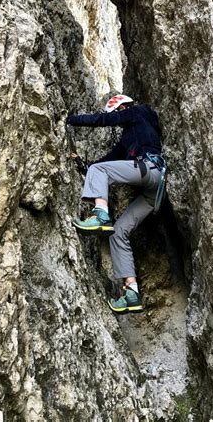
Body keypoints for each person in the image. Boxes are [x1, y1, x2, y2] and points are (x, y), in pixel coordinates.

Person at [67, 94, 163, 314]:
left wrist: (70, 119)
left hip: (148, 168)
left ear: (123, 107)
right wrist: (84, 166)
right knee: (118, 233)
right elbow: (106, 162)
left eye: (118, 113)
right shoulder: (128, 138)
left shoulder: (138, 112)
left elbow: (102, 121)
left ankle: (101, 215)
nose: (117, 118)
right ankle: (131, 293)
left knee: (98, 172)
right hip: (153, 189)